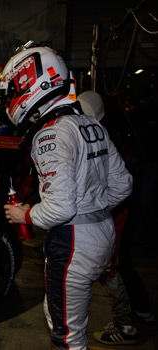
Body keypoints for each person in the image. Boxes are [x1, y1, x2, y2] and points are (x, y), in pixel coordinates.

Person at [0, 41, 133, 350]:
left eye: (12, 90)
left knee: (67, 335)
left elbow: (60, 208)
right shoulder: (89, 123)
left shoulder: (51, 133)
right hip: (104, 233)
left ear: (32, 82)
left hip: (73, 241)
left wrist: (26, 214)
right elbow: (123, 185)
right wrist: (93, 208)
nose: (9, 99)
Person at [77, 91, 155, 345]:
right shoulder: (110, 132)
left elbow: (119, 183)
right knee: (120, 264)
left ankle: (126, 325)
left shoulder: (100, 136)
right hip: (120, 209)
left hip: (115, 211)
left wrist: (96, 209)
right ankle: (143, 312)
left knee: (111, 266)